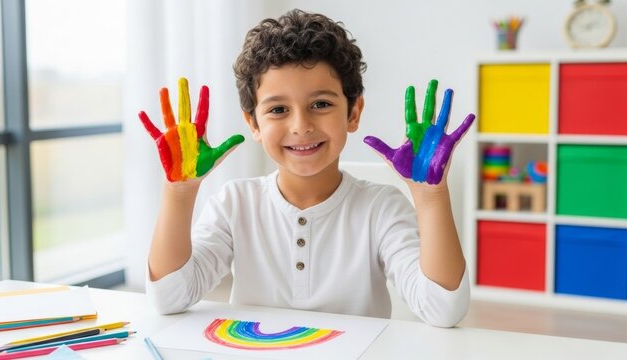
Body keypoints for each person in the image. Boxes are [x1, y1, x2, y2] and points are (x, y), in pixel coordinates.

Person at [141, 9, 474, 327]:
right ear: (252, 122)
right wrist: (179, 191)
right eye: (279, 109)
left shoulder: (382, 208)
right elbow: (170, 298)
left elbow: (443, 309)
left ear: (354, 112)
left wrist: (430, 196)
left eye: (321, 104)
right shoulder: (235, 204)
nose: (301, 125)